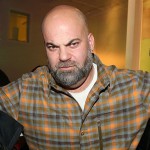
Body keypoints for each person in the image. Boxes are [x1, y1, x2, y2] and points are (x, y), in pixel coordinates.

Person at [0, 5, 149, 150]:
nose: (63, 56)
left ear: (90, 43)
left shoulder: (134, 86)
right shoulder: (26, 91)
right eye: (53, 47)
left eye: (73, 44)